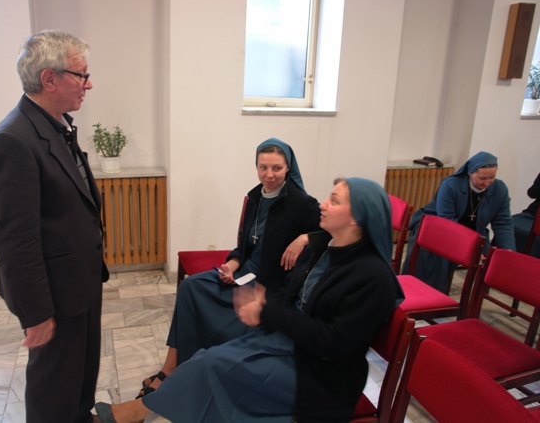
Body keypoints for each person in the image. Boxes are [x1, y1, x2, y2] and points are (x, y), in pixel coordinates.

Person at [94, 177, 404, 423]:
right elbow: (287, 293)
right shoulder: (321, 248)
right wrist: (264, 308)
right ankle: (140, 409)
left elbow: (333, 344)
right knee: (205, 357)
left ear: (357, 218)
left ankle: (134, 412)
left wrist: (267, 311)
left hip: (318, 377)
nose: (323, 204)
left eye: (334, 201)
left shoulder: (373, 277)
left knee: (212, 366)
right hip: (288, 344)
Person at [0, 30, 109, 423]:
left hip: (79, 284)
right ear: (49, 78)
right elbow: (15, 241)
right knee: (54, 390)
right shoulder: (13, 141)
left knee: (79, 380)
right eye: (81, 75)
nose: (88, 84)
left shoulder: (55, 125)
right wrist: (35, 314)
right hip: (54, 295)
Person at [137, 138, 321, 398]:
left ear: (288, 168)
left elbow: (329, 233)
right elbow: (244, 245)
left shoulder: (303, 203)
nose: (269, 175)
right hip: (242, 275)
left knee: (227, 310)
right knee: (190, 287)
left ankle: (182, 370)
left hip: (267, 286)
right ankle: (172, 365)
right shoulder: (255, 198)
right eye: (263, 167)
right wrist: (231, 265)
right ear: (256, 166)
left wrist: (305, 238)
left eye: (277, 168)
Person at [401, 151, 515, 293]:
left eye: (492, 177)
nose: (487, 183)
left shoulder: (500, 189)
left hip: (475, 234)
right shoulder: (451, 184)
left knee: (490, 257)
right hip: (436, 225)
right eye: (482, 178)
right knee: (435, 252)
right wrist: (470, 249)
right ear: (470, 173)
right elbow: (447, 221)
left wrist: (508, 249)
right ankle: (422, 292)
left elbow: (503, 222)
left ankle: (469, 299)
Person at [512, 171, 540, 257]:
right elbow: (532, 193)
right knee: (506, 224)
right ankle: (495, 259)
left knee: (535, 239)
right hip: (532, 214)